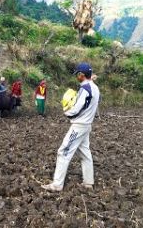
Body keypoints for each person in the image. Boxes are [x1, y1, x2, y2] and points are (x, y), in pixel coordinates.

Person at [42, 63, 100, 191]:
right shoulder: (94, 88)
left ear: (81, 75)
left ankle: (57, 184)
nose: (76, 77)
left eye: (77, 75)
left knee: (63, 152)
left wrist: (67, 112)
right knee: (85, 153)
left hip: (79, 126)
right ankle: (88, 182)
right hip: (87, 125)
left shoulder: (85, 89)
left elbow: (77, 109)